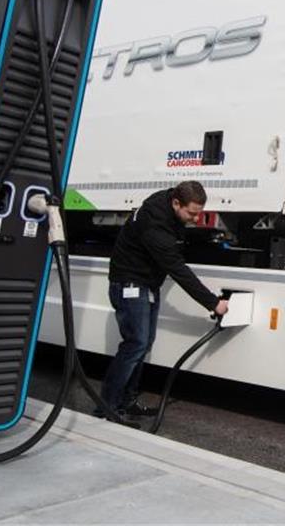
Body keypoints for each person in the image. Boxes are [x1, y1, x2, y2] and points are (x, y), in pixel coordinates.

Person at [98, 180, 228, 421]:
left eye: (199, 214)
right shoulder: (154, 224)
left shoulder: (168, 205)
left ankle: (127, 402)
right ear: (176, 203)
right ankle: (107, 407)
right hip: (129, 284)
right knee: (135, 344)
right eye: (191, 213)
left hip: (145, 284)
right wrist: (213, 302)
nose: (194, 219)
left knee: (143, 344)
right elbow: (177, 269)